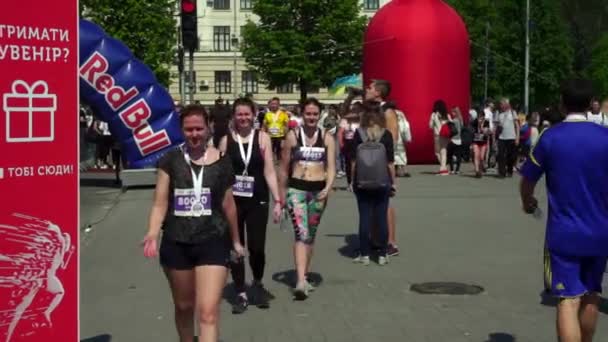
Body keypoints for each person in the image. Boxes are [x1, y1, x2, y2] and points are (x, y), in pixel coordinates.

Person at [142, 104, 245, 342]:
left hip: (214, 240)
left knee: (208, 313)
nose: (194, 134)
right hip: (177, 241)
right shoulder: (170, 160)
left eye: (199, 128)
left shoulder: (223, 161)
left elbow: (229, 204)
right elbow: (160, 203)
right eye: (189, 130)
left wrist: (237, 241)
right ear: (181, 130)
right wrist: (152, 232)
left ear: (208, 128)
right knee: (184, 307)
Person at [520, 79, 608, 342]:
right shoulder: (605, 137)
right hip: (600, 231)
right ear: (591, 103)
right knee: (592, 295)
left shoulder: (551, 137)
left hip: (564, 232)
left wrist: (528, 201)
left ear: (561, 103)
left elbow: (528, 179)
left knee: (567, 301)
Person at [219, 98, 282, 314]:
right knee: (236, 248)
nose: (243, 118)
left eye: (247, 114)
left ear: (254, 114)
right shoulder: (226, 141)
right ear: (234, 116)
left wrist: (278, 201)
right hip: (233, 202)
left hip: (258, 199)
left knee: (257, 248)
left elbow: (269, 171)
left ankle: (257, 282)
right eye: (239, 114)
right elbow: (219, 174)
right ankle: (240, 292)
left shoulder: (263, 138)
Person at [278, 97, 336, 300]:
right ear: (302, 114)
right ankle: (300, 281)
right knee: (301, 234)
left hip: (318, 192)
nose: (311, 117)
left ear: (319, 115)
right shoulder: (293, 136)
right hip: (297, 191)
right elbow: (283, 168)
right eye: (308, 114)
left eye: (315, 114)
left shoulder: (327, 137)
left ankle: (304, 274)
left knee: (310, 235)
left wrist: (328, 188)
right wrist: (281, 196)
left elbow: (331, 168)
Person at [351, 101, 396, 266]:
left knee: (364, 217)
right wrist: (393, 182)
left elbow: (353, 161)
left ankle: (364, 254)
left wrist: (352, 180)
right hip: (382, 181)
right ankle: (383, 254)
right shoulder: (386, 134)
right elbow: (390, 162)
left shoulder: (359, 133)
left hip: (361, 181)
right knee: (381, 217)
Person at [365, 80, 400, 256]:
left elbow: (392, 140)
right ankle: (375, 238)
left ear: (378, 92)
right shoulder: (372, 110)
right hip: (368, 162)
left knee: (385, 203)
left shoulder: (388, 112)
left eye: (370, 88)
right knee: (370, 201)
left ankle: (391, 242)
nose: (366, 89)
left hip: (382, 163)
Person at [496, 98, 520, 178]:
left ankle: (509, 170)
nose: (500, 105)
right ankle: (502, 172)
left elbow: (517, 126)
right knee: (501, 155)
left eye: (502, 104)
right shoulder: (499, 114)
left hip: (511, 137)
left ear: (507, 105)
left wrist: (517, 137)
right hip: (501, 137)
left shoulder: (513, 113)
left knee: (511, 156)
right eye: (500, 104)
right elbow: (497, 126)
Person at [429, 100, 450, 175]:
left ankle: (443, 168)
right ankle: (443, 168)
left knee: (437, 152)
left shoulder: (434, 115)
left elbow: (430, 126)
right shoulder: (447, 115)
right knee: (444, 150)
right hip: (446, 135)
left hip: (437, 135)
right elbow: (450, 123)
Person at [471, 113, 491, 178]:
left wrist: (481, 126)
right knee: (476, 155)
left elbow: (486, 132)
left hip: (483, 142)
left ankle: (481, 169)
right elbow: (472, 131)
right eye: (479, 117)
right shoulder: (474, 121)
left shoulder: (486, 122)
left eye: (481, 117)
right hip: (475, 141)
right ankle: (477, 171)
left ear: (483, 117)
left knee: (482, 157)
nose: (480, 118)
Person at [447, 107, 463, 175]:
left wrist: (448, 118)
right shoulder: (460, 120)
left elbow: (450, 126)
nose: (452, 113)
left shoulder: (455, 120)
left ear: (455, 113)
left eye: (453, 112)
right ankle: (457, 170)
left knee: (450, 155)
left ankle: (452, 169)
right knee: (458, 155)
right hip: (459, 140)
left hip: (453, 139)